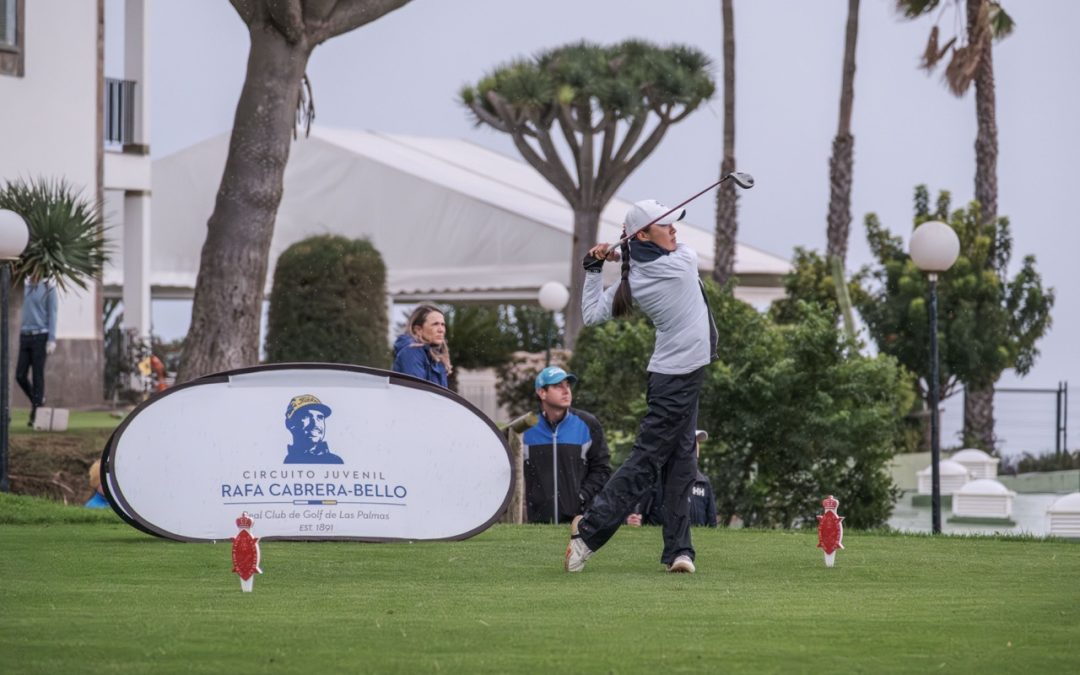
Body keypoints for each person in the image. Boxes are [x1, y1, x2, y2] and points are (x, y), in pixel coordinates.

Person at [566, 198, 718, 574]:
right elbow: (676, 252)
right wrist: (623, 250)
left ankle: (678, 551)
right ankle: (588, 532)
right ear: (645, 233)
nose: (675, 230)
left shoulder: (633, 278)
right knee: (647, 461)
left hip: (679, 374)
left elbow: (591, 314)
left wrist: (595, 267)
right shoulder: (681, 263)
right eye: (666, 225)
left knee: (682, 463)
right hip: (677, 378)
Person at [521, 366, 611, 524]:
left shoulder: (588, 424)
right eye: (558, 386)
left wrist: (581, 497)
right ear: (542, 393)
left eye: (567, 385)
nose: (566, 391)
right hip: (537, 523)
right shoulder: (526, 429)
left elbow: (601, 469)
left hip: (579, 522)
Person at [626, 430, 718, 528]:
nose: (696, 446)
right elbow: (636, 514)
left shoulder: (703, 482)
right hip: (658, 541)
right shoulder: (656, 479)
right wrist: (632, 521)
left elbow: (712, 524)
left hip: (697, 542)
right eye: (690, 442)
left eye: (697, 443)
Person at [17, 277, 58, 427]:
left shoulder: (49, 287)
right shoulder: (24, 285)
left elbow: (53, 313)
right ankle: (38, 400)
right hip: (25, 335)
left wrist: (52, 339)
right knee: (20, 375)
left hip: (41, 336)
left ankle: (36, 412)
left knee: (37, 375)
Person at [392, 304, 452, 388]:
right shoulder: (411, 353)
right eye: (435, 324)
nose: (441, 330)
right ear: (418, 330)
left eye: (442, 324)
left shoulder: (435, 357)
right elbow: (417, 395)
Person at [283, 394, 343, 464]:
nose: (315, 424)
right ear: (290, 424)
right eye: (306, 416)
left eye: (320, 417)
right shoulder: (287, 462)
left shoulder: (336, 462)